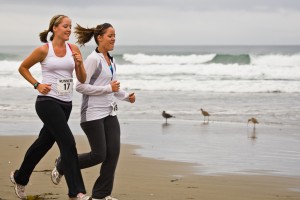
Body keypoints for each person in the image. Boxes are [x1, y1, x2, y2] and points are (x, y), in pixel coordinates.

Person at [51, 23, 136, 200]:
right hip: (92, 115)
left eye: (115, 35)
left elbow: (112, 87)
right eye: (110, 36)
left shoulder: (110, 60)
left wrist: (127, 96)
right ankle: (62, 164)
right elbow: (81, 86)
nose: (114, 39)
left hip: (110, 113)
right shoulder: (93, 59)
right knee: (99, 155)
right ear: (100, 38)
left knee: (113, 154)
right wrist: (107, 88)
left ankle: (100, 195)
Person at [10, 14, 90, 200]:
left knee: (44, 143)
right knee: (68, 143)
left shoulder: (74, 49)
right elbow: (23, 68)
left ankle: (20, 177)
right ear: (54, 28)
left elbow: (82, 78)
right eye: (65, 26)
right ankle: (76, 192)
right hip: (47, 102)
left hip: (65, 104)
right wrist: (37, 85)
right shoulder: (44, 50)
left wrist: (79, 64)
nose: (69, 29)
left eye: (70, 26)